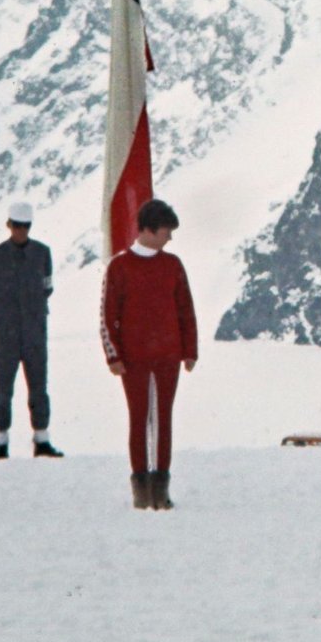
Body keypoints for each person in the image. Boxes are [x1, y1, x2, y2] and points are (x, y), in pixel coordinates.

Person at [102, 198, 198, 509]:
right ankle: (141, 488)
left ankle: (161, 486)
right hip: (134, 359)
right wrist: (113, 355)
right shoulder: (119, 266)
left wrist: (190, 350)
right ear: (149, 229)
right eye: (166, 231)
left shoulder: (173, 265)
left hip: (168, 356)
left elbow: (186, 309)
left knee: (163, 419)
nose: (169, 237)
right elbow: (108, 314)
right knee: (140, 419)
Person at [0, 201, 60, 459]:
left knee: (39, 386)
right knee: (3, 389)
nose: (21, 231)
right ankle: (0, 442)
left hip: (34, 333)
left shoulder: (42, 253)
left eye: (26, 226)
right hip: (6, 336)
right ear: (9, 225)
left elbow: (47, 287)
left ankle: (41, 438)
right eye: (18, 226)